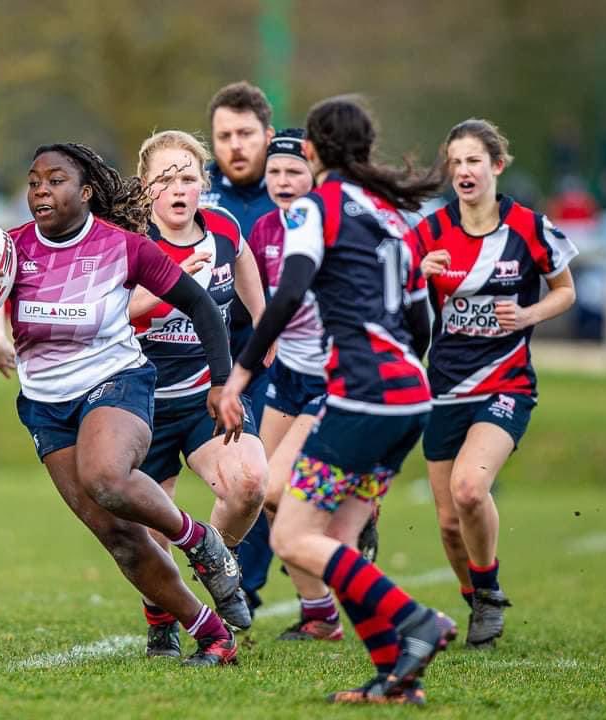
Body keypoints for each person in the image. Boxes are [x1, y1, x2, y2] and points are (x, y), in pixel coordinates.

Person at [0, 142, 249, 666]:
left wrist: (221, 380)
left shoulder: (122, 245)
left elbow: (201, 305)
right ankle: (212, 635)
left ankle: (199, 540)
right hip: (46, 405)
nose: (41, 191)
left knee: (106, 477)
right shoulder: (8, 250)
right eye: (33, 182)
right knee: (118, 537)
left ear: (86, 191)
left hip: (116, 382)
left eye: (54, 181)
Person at [219, 96, 455, 704]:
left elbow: (289, 293)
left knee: (293, 537)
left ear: (316, 152)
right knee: (340, 544)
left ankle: (416, 621)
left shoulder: (313, 210)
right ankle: (394, 677)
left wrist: (241, 375)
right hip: (407, 394)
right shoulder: (392, 212)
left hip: (362, 397)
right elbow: (418, 313)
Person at [415, 119, 577, 648]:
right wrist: (418, 270)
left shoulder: (530, 227)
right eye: (456, 163)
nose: (464, 171)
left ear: (496, 166)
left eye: (474, 161)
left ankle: (488, 593)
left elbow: (566, 291)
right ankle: (477, 597)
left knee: (469, 487)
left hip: (505, 385)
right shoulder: (431, 231)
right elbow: (392, 287)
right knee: (445, 523)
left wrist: (528, 314)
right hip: (442, 388)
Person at [129, 130, 268, 656]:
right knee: (152, 536)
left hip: (204, 395)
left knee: (250, 483)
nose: (178, 189)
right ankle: (160, 617)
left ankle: (217, 559)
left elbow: (245, 260)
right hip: (137, 404)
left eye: (188, 177)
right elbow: (111, 316)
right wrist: (170, 285)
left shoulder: (225, 228)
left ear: (203, 185)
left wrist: (260, 317)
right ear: (146, 189)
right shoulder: (130, 241)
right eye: (165, 179)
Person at [246, 128, 350, 642]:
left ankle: (349, 513)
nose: (283, 181)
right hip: (287, 375)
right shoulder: (263, 229)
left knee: (278, 488)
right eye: (274, 173)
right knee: (264, 495)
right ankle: (319, 613)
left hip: (332, 379)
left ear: (315, 175)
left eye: (294, 172)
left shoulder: (333, 225)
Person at [200, 81, 279, 614]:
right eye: (224, 135)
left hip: (277, 356)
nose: (235, 145)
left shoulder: (292, 193)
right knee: (237, 473)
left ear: (268, 136)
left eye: (245, 134)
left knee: (268, 475)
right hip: (210, 358)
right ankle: (234, 583)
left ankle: (249, 585)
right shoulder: (198, 197)